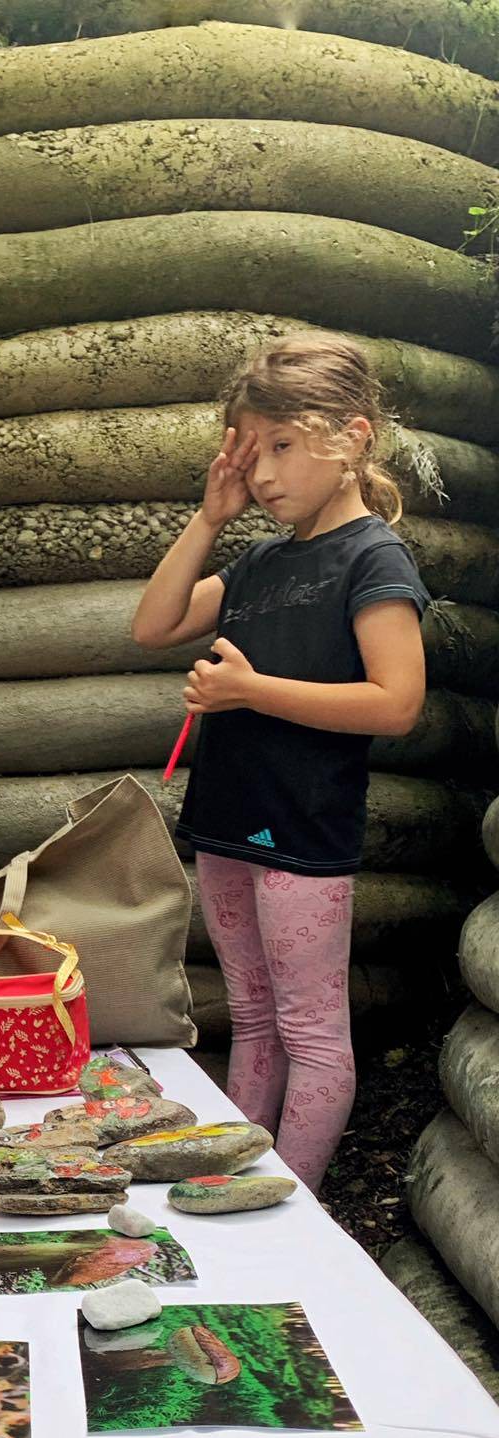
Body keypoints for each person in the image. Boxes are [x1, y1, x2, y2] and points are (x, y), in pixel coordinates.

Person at [132, 331, 428, 1190]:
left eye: (283, 449)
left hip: (304, 832)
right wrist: (209, 517)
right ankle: (235, 1188)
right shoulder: (261, 560)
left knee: (311, 1032)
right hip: (229, 822)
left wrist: (251, 692)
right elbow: (153, 625)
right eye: (250, 455)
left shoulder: (374, 559)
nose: (262, 476)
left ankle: (294, 1212)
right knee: (254, 1018)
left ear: (354, 435)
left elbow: (396, 703)